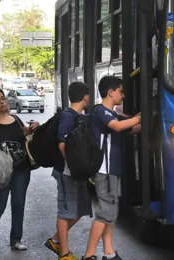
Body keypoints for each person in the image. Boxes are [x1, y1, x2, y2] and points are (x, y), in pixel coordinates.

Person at [81, 76, 141, 260]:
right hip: (104, 170)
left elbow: (130, 128)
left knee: (109, 211)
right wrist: (143, 115)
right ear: (111, 92)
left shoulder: (111, 113)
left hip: (111, 170)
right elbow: (117, 126)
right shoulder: (101, 112)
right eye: (121, 91)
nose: (123, 96)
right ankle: (89, 254)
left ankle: (109, 252)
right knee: (106, 212)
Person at [0, 88, 39, 250]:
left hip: (21, 169)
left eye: (3, 98)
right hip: (0, 171)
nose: (2, 102)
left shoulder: (15, 118)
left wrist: (33, 127)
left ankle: (16, 239)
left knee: (18, 204)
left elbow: (25, 133)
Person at [45, 82, 92, 260]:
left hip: (72, 171)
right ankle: (64, 253)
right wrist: (72, 165)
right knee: (66, 211)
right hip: (66, 171)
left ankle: (56, 240)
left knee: (79, 210)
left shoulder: (77, 115)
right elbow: (62, 143)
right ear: (85, 97)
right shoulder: (68, 116)